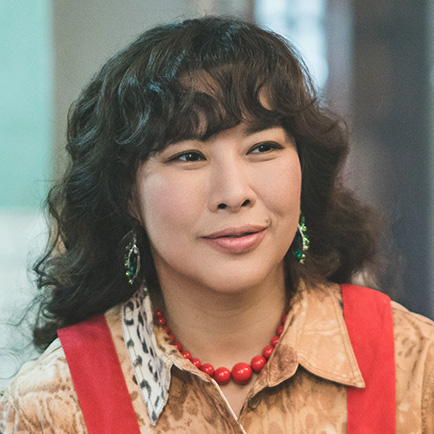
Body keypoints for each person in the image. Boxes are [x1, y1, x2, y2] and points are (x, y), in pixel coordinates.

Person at [1, 16, 433, 433]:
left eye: (262, 147)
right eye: (189, 156)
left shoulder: (415, 366)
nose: (234, 192)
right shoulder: (52, 405)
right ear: (128, 195)